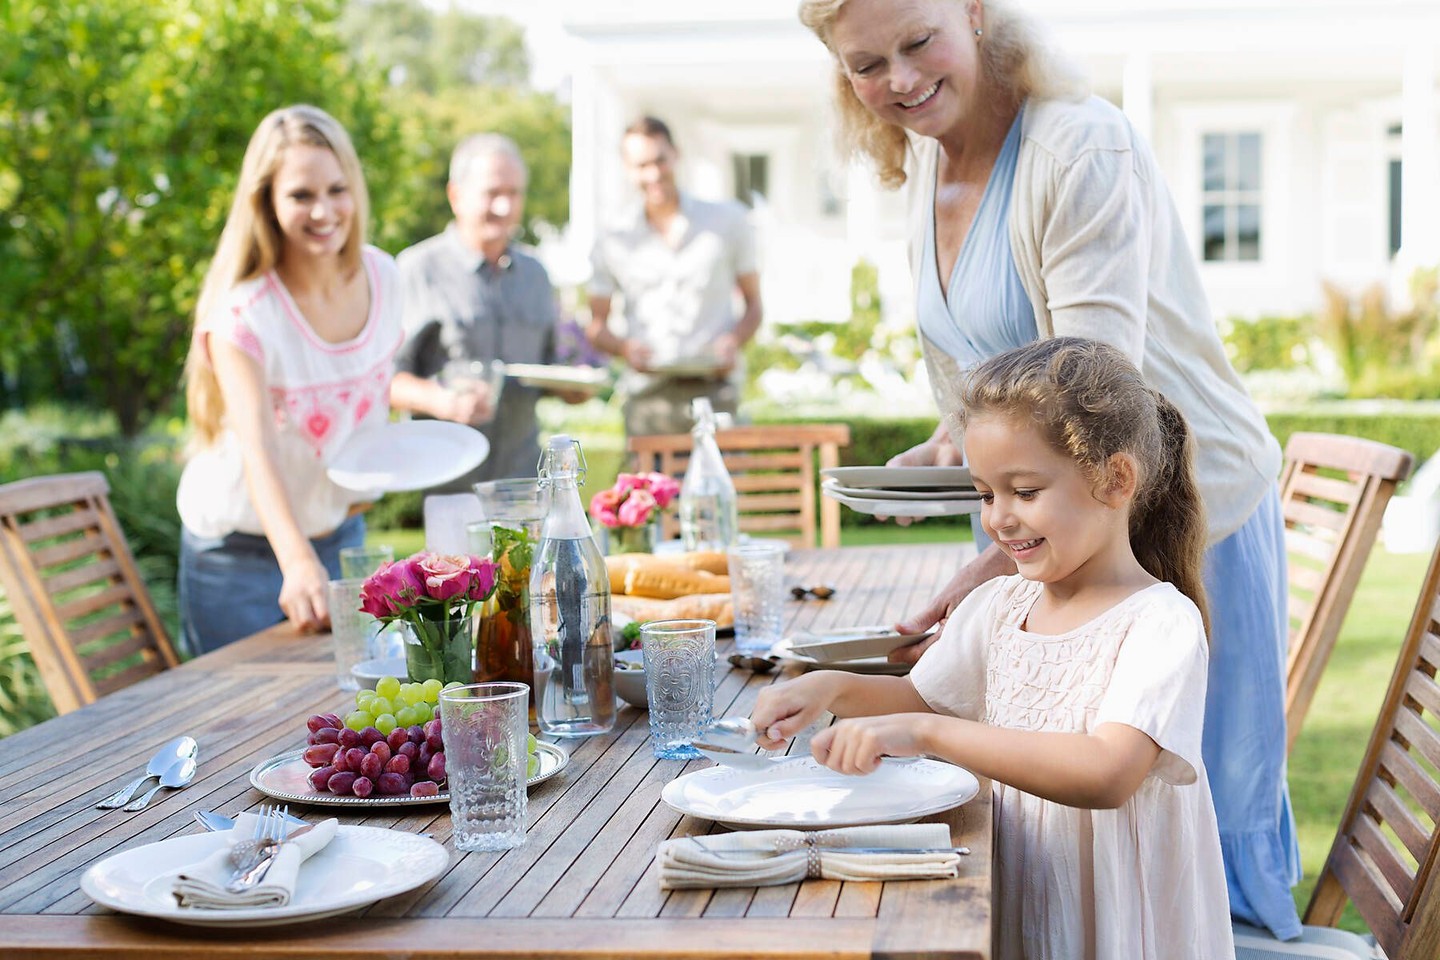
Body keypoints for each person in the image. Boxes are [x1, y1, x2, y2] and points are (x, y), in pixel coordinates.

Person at [799, 0, 1300, 938]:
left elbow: (1095, 384)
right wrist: (951, 445)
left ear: (975, 13)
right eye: (866, 64)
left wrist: (1000, 564)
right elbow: (988, 369)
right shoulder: (930, 158)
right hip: (1058, 525)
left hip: (1175, 512)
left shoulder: (1078, 150)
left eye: (918, 42)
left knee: (1193, 825)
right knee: (1051, 832)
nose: (899, 80)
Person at [754, 338, 1233, 959]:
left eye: (1025, 492)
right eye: (985, 494)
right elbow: (923, 697)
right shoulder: (1002, 604)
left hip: (1112, 918)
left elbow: (1107, 773)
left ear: (1116, 480)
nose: (999, 519)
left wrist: (926, 733)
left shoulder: (1159, 622)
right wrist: (831, 688)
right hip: (1013, 880)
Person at [176, 104, 402, 655]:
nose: (323, 211)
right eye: (301, 195)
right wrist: (297, 561)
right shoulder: (244, 315)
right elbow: (259, 449)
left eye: (336, 189)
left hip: (339, 535)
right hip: (240, 555)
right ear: (267, 203)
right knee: (244, 709)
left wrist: (441, 400)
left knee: (351, 698)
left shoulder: (384, 276)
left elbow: (363, 384)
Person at [389, 133, 582, 490]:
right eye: (492, 193)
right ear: (456, 196)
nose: (505, 207)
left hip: (525, 481)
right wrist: (442, 400)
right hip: (447, 481)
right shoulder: (417, 269)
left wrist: (574, 386)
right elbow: (383, 379)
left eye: (514, 193)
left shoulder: (536, 275)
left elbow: (550, 369)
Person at [585, 116, 764, 437]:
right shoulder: (612, 238)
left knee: (720, 472)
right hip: (648, 398)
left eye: (660, 160)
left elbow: (754, 306)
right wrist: (625, 348)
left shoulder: (728, 221)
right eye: (642, 165)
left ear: (675, 155)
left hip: (715, 392)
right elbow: (597, 326)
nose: (653, 174)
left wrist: (733, 341)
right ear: (627, 169)